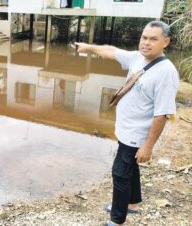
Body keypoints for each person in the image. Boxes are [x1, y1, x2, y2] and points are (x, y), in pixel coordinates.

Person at [75, 21, 179, 226]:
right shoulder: (138, 58)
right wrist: (88, 48)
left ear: (165, 42)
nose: (146, 43)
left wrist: (147, 146)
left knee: (120, 174)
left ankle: (117, 220)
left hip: (137, 135)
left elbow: (162, 114)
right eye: (144, 37)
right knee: (130, 167)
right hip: (126, 130)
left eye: (153, 39)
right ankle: (132, 204)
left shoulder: (166, 73)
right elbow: (112, 51)